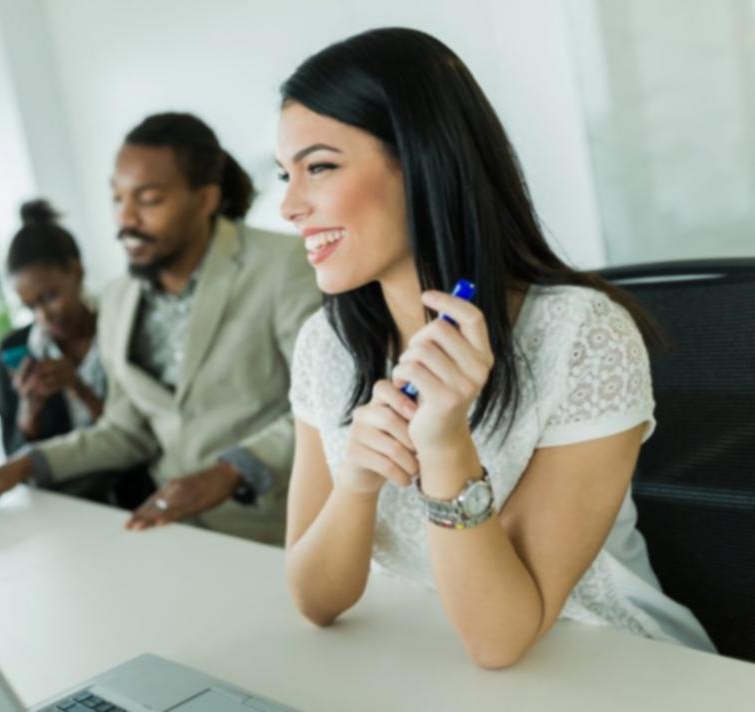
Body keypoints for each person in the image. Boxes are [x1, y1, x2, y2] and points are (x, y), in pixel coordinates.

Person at [276, 28, 715, 667]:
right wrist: (357, 483)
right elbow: (316, 600)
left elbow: (501, 638)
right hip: (424, 659)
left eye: (319, 167)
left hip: (609, 662)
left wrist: (446, 445)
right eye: (284, 174)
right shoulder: (327, 344)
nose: (289, 205)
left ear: (422, 161)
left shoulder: (582, 336)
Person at [0, 112, 320, 545]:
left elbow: (327, 406)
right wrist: (26, 464)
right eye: (118, 198)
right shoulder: (119, 299)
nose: (126, 219)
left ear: (204, 200)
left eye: (149, 200)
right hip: (173, 534)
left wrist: (231, 470)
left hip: (283, 531)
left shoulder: (284, 265)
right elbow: (126, 432)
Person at [0, 199, 154, 509]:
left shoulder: (125, 327)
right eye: (31, 307)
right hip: (65, 510)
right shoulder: (16, 351)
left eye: (50, 297)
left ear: (76, 271)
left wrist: (78, 387)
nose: (43, 316)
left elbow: (141, 436)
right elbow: (13, 458)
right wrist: (29, 411)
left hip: (140, 498)